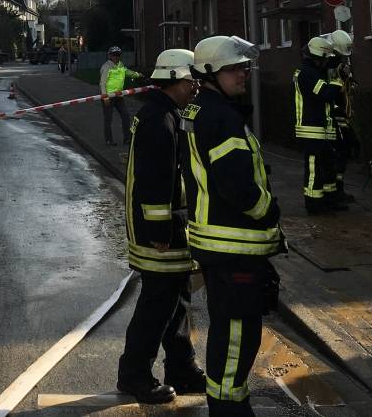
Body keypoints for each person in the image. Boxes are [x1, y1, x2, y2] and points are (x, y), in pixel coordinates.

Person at [184, 36, 283, 417]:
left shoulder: (199, 108)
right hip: (234, 247)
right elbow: (239, 187)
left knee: (227, 333)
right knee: (237, 338)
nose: (244, 74)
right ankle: (229, 409)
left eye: (244, 67)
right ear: (210, 72)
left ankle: (226, 402)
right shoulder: (222, 118)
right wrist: (268, 211)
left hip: (218, 244)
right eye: (234, 68)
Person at [117, 49, 207, 405]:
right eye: (190, 80)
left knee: (176, 301)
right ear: (174, 79)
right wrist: (160, 233)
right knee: (157, 306)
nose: (195, 86)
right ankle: (134, 375)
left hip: (167, 230)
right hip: (159, 235)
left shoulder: (165, 113)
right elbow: (155, 182)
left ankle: (181, 369)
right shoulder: (159, 119)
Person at [293, 35, 347, 214]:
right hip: (312, 131)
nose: (327, 63)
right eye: (326, 59)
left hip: (322, 131)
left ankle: (330, 200)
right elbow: (324, 94)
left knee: (328, 167)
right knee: (315, 170)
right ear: (319, 57)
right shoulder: (307, 74)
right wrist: (338, 80)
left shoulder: (314, 71)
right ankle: (314, 204)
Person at [324, 30, 358, 204]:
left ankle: (338, 188)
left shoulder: (337, 65)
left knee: (344, 151)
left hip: (343, 117)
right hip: (336, 119)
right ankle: (336, 190)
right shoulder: (331, 67)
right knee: (340, 153)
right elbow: (332, 93)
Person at [100, 45, 144, 146]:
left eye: (118, 55)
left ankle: (127, 139)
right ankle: (109, 140)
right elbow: (102, 83)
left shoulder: (120, 65)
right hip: (108, 97)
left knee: (125, 116)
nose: (116, 57)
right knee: (108, 119)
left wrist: (138, 75)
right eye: (114, 55)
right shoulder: (106, 67)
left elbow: (127, 72)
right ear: (110, 56)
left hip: (119, 96)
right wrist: (105, 96)